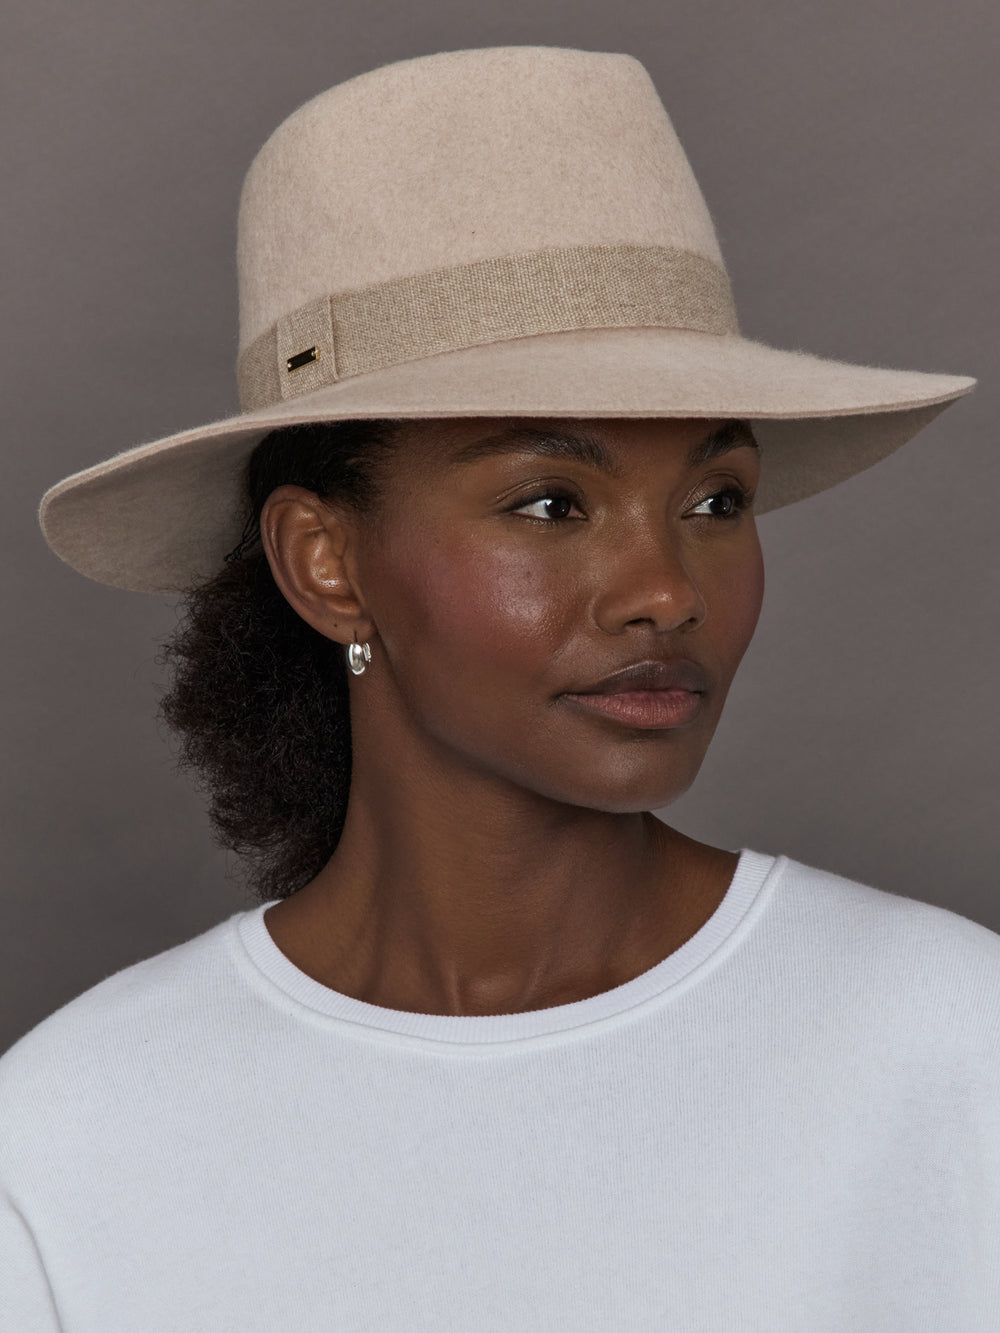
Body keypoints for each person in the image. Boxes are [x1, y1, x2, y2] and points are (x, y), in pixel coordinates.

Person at [3, 45, 997, 1331]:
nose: (663, 589)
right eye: (550, 501)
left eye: (715, 499)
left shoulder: (953, 1050)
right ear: (328, 562)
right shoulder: (72, 1140)